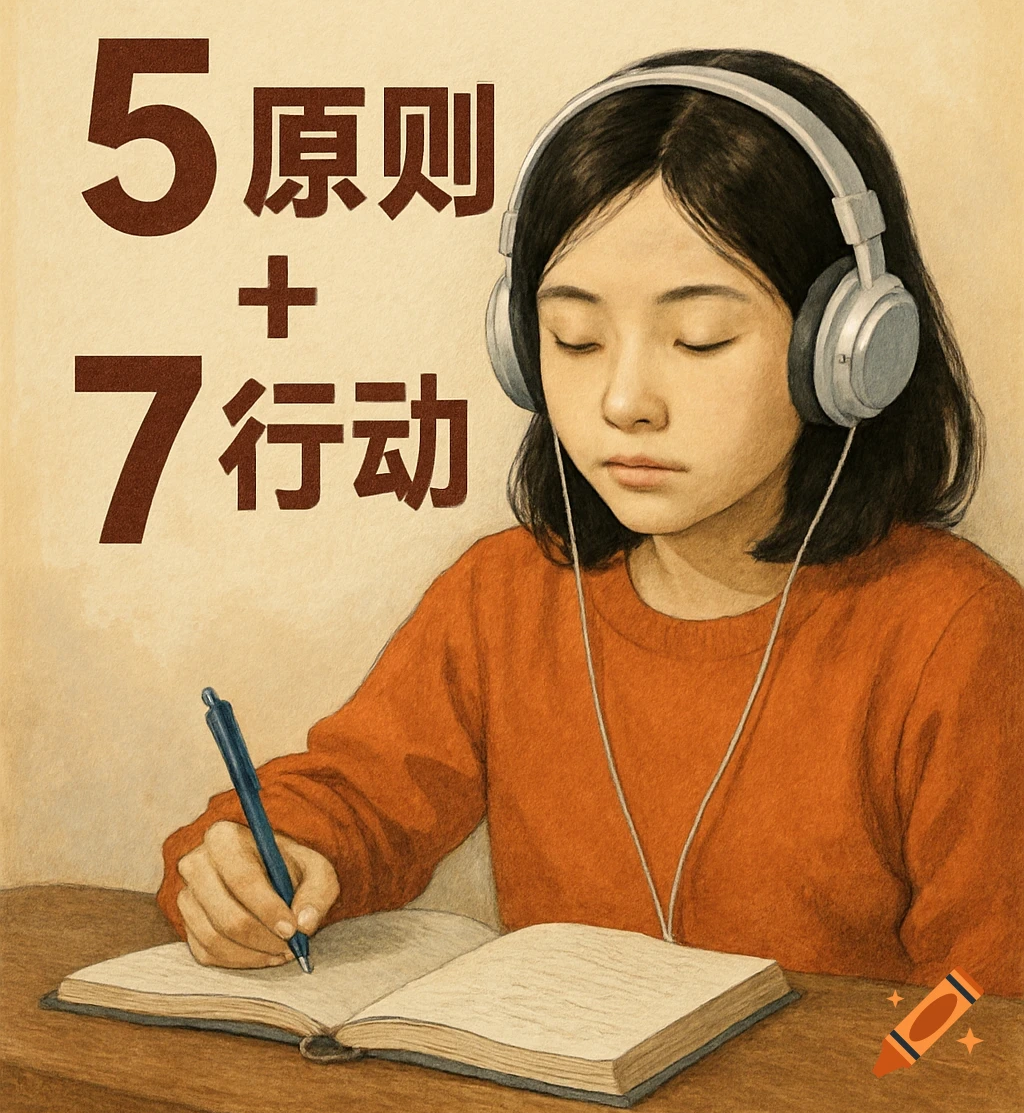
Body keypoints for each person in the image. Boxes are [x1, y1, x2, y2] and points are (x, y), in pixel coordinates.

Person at [158, 49, 1023, 996]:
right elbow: (353, 800)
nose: (623, 401)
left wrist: (880, 1083)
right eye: (574, 339)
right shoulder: (505, 597)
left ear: (850, 350)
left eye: (700, 340)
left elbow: (986, 1008)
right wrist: (264, 858)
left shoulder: (956, 633)